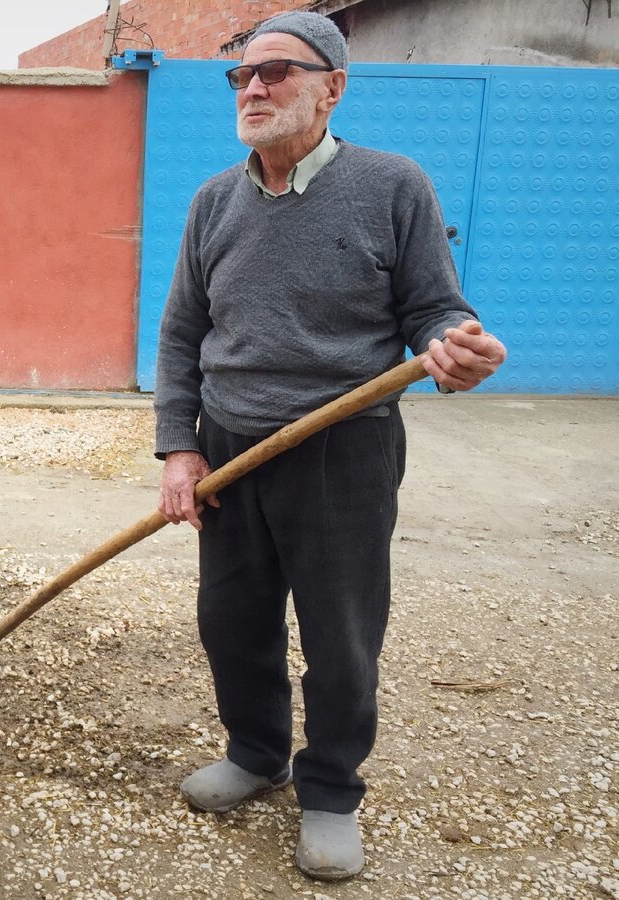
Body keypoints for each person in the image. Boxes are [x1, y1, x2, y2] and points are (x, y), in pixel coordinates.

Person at [153, 11, 507, 881]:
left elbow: (435, 307)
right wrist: (179, 448)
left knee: (341, 634)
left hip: (341, 445)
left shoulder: (393, 186)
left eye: (276, 71)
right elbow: (182, 334)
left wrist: (454, 345)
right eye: (242, 76)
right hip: (230, 446)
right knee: (231, 621)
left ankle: (331, 791)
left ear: (332, 88)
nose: (254, 88)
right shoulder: (214, 201)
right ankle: (256, 754)